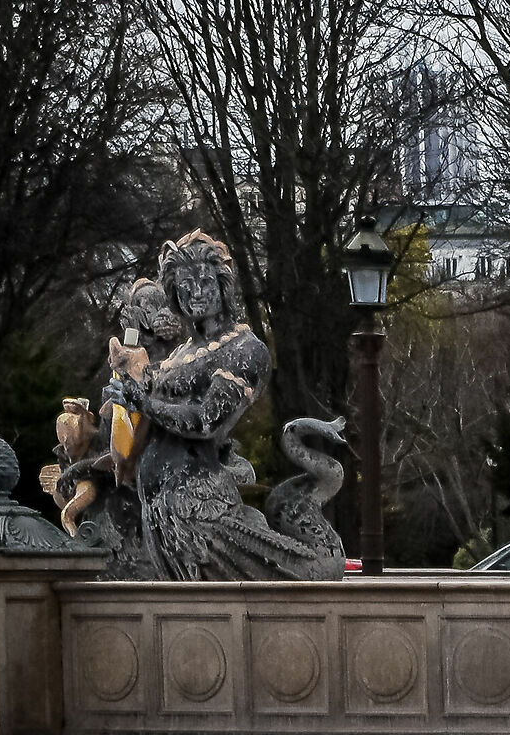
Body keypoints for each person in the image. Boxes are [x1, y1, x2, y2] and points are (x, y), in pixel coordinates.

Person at [108, 227, 343, 580]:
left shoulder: (244, 350)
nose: (196, 292)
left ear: (223, 286)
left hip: (201, 509)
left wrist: (145, 402)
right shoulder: (179, 354)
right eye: (185, 284)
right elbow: (140, 414)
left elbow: (207, 421)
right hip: (159, 507)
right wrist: (126, 387)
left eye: (205, 281)